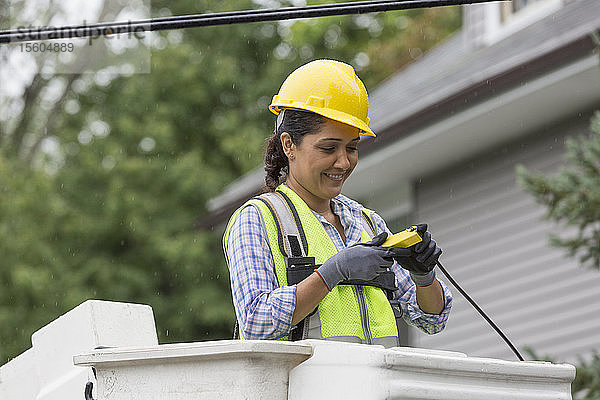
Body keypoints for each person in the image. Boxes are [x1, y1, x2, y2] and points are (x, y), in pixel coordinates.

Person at [223, 59, 452, 346]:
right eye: (328, 148)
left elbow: (431, 321)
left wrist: (424, 277)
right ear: (289, 145)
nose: (343, 162)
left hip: (376, 389)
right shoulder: (258, 219)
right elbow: (256, 321)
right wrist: (333, 272)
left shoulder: (369, 223)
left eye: (352, 148)